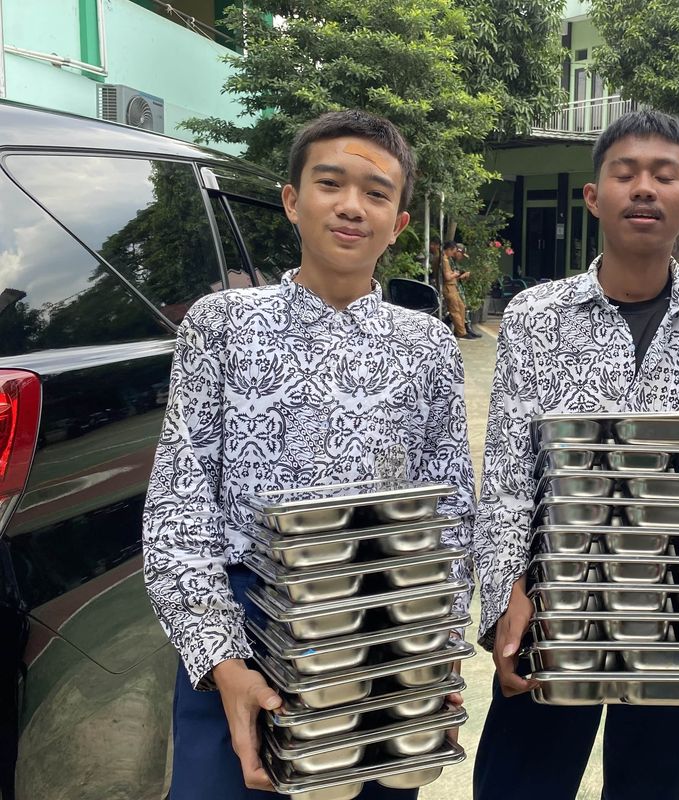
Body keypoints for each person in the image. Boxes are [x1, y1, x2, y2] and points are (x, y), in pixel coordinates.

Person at [142, 110, 475, 799]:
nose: (352, 206)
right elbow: (180, 502)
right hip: (244, 616)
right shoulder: (222, 324)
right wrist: (221, 660)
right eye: (330, 183)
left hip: (382, 622)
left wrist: (434, 648)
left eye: (376, 193)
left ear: (398, 223)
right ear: (293, 200)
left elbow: (451, 511)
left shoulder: (426, 344)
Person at [471, 109, 679, 800]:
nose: (644, 189)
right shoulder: (536, 316)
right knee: (520, 785)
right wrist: (506, 592)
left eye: (665, 175)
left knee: (650, 786)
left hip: (676, 603)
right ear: (593, 196)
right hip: (554, 601)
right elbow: (510, 473)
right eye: (625, 173)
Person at [443, 241, 479, 339]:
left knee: (461, 307)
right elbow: (448, 276)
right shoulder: (446, 260)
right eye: (461, 254)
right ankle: (461, 332)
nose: (461, 257)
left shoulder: (450, 260)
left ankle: (463, 329)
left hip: (453, 286)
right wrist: (457, 275)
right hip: (450, 287)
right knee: (455, 310)